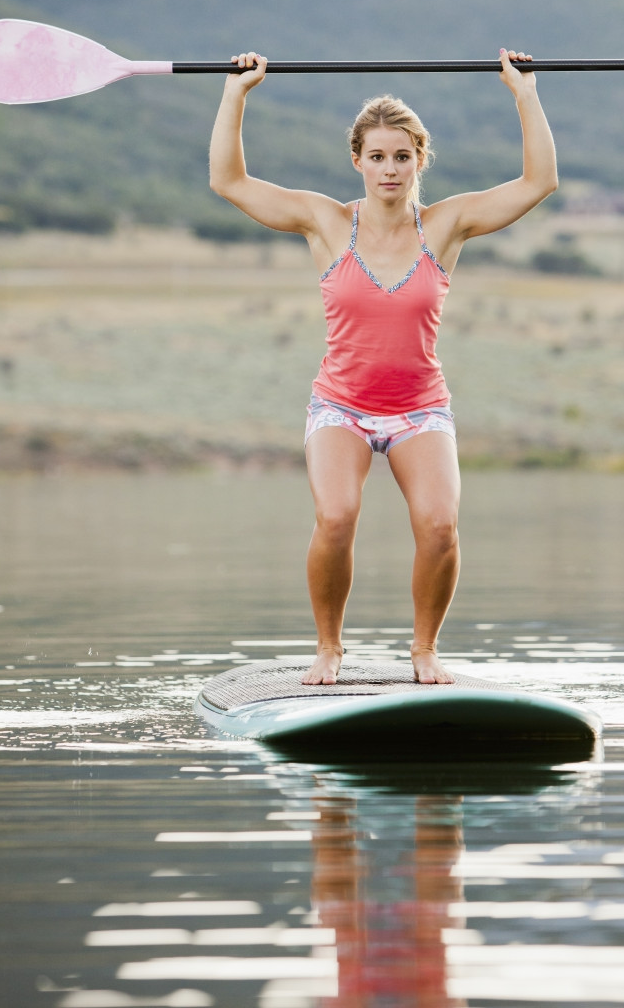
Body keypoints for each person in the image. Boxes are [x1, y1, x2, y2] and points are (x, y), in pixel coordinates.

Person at [209, 48, 557, 685]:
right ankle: (329, 648)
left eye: (402, 156)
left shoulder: (447, 225)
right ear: (358, 162)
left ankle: (424, 649)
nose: (390, 169)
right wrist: (237, 94)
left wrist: (524, 92)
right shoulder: (325, 221)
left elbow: (539, 183)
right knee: (336, 517)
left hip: (419, 408)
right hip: (339, 405)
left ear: (420, 159)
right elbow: (229, 182)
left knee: (441, 526)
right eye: (377, 156)